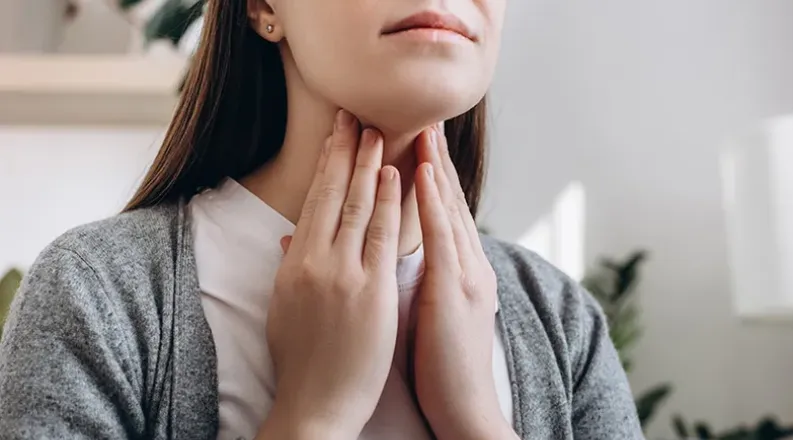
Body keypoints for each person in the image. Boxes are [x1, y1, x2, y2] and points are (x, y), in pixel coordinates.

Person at [0, 0, 643, 438]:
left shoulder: (561, 321)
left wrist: (475, 417)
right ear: (263, 6)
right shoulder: (97, 294)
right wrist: (313, 416)